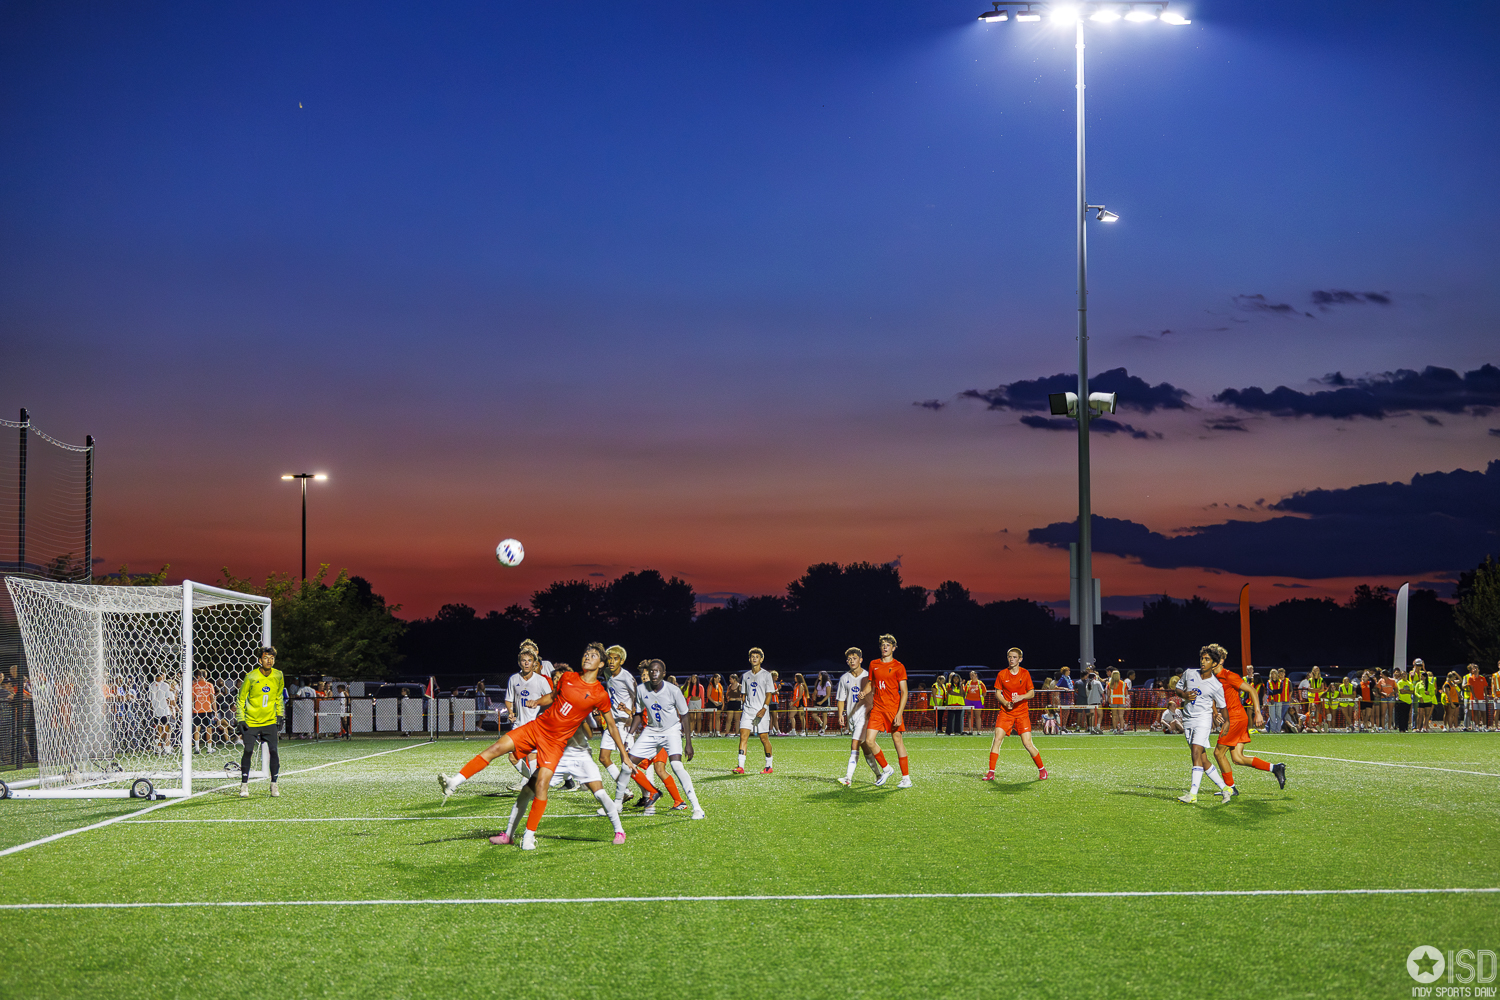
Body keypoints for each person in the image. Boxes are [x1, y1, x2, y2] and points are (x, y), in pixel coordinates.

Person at [440, 643, 635, 851]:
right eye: (586, 654)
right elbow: (553, 696)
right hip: (537, 728)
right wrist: (537, 701)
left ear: (601, 664)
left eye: (593, 655)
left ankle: (530, 837)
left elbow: (611, 725)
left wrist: (624, 755)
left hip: (560, 746)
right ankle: (454, 782)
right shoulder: (568, 678)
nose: (587, 657)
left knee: (551, 787)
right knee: (498, 750)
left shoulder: (599, 694)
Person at [611, 659, 705, 820]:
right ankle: (617, 804)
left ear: (663, 673)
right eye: (651, 671)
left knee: (676, 766)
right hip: (651, 731)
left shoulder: (673, 690)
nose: (653, 673)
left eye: (657, 671)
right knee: (627, 765)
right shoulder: (641, 689)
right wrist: (630, 734)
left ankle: (697, 808)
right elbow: (638, 714)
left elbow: (685, 715)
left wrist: (688, 743)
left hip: (671, 731)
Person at [1201, 645, 1284, 796]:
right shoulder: (1212, 678)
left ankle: (1230, 788)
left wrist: (1258, 713)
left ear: (1220, 660)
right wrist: (1215, 713)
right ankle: (1275, 768)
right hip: (1235, 718)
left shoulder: (1229, 676)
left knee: (1218, 753)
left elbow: (1252, 690)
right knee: (1238, 758)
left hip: (1235, 719)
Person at [1174, 659, 1233, 804]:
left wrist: (1226, 722)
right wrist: (1184, 695)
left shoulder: (1216, 685)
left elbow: (1223, 706)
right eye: (1202, 658)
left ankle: (1193, 794)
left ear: (1213, 664)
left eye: (1207, 659)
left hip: (1203, 720)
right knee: (1202, 759)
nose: (1203, 661)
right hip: (1188, 719)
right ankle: (1225, 788)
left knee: (1195, 752)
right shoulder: (1189, 673)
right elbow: (1177, 689)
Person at [983, 648, 1046, 781]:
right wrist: (1005, 703)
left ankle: (1042, 770)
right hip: (1006, 713)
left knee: (1027, 744)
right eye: (1010, 657)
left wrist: (1021, 697)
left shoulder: (1025, 673)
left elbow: (1032, 693)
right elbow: (997, 693)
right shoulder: (1002, 674)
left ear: (1020, 659)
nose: (1011, 659)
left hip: (1022, 714)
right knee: (997, 739)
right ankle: (991, 773)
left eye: (1014, 657)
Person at [860, 634, 911, 788]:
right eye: (883, 644)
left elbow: (904, 692)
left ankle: (906, 778)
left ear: (893, 648)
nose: (884, 647)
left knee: (897, 741)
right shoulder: (873, 664)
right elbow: (871, 684)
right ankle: (887, 769)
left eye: (888, 645)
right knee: (869, 740)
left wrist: (899, 713)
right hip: (877, 709)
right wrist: (864, 692)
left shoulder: (899, 666)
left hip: (893, 709)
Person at [235, 647, 285, 798]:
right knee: (248, 750)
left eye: (272, 658)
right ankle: (244, 785)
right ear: (259, 660)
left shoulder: (278, 675)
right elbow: (241, 699)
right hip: (251, 721)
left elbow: (279, 696)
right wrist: (240, 719)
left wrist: (280, 714)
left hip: (269, 721)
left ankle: (274, 784)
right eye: (265, 658)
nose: (269, 661)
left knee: (274, 751)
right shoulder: (251, 677)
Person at [505, 641, 553, 779]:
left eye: (529, 661)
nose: (526, 663)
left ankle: (533, 784)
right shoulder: (514, 679)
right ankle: (531, 780)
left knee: (532, 755)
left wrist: (538, 704)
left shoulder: (541, 680)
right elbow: (509, 699)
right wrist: (510, 712)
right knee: (512, 757)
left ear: (534, 663)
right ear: (519, 663)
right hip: (518, 725)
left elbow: (551, 698)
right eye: (523, 661)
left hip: (534, 725)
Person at [836, 647, 882, 785]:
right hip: (852, 718)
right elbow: (841, 699)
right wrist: (840, 714)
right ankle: (880, 774)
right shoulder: (844, 678)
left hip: (865, 716)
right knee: (865, 747)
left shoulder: (868, 677)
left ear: (861, 660)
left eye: (854, 658)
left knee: (854, 743)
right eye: (849, 659)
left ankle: (848, 778)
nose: (852, 661)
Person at [597, 645, 637, 795]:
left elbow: (637, 696)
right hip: (612, 722)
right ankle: (625, 791)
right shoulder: (608, 672)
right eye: (610, 658)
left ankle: (648, 792)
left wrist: (632, 714)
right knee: (603, 757)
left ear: (622, 661)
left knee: (627, 762)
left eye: (615, 659)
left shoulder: (626, 677)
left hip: (625, 722)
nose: (612, 661)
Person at [735, 648, 775, 774]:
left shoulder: (767, 675)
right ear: (749, 659)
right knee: (743, 736)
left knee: (764, 738)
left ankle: (769, 765)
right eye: (752, 656)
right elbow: (744, 693)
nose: (754, 658)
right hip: (748, 711)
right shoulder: (745, 676)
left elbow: (769, 694)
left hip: (761, 711)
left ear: (761, 659)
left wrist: (764, 708)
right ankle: (740, 766)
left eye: (757, 656)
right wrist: (743, 705)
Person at [148, 671, 176, 753]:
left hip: (156, 711)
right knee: (167, 729)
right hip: (164, 710)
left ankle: (158, 749)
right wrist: (172, 709)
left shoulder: (152, 685)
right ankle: (158, 742)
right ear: (162, 675)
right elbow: (168, 698)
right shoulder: (165, 685)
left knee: (159, 730)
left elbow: (150, 699)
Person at [191, 669, 217, 753]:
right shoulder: (209, 685)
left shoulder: (194, 686)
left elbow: (192, 699)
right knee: (208, 729)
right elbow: (212, 699)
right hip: (207, 710)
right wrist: (215, 711)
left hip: (197, 710)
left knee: (196, 729)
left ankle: (197, 748)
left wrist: (192, 709)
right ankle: (209, 749)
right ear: (205, 676)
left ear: (197, 676)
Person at [1464, 664, 1488, 732]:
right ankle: (1476, 726)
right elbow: (1471, 688)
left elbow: (1485, 688)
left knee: (1483, 712)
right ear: (1472, 671)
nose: (1475, 669)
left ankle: (1484, 727)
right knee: (1475, 713)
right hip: (1473, 698)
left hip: (1481, 698)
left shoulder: (1482, 678)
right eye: (1474, 668)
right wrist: (1474, 697)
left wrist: (1486, 696)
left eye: (1476, 668)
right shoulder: (1470, 678)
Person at [964, 670, 986, 735]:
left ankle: (979, 731)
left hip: (978, 701)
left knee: (977, 716)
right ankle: (971, 730)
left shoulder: (980, 683)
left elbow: (984, 692)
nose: (972, 676)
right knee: (969, 715)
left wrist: (981, 698)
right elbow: (965, 691)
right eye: (970, 675)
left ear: (976, 675)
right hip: (968, 701)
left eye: (973, 675)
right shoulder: (968, 683)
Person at [1083, 668, 1104, 734]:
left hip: (1090, 701)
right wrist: (1103, 698)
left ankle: (1091, 728)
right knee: (1100, 714)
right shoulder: (1097, 682)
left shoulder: (1087, 684)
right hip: (1097, 701)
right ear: (1094, 677)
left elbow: (1087, 693)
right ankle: (1098, 726)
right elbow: (1101, 691)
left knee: (1092, 715)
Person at [1107, 669, 1128, 734]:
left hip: (1113, 701)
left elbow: (1108, 694)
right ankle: (1121, 729)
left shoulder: (1110, 684)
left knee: (1114, 716)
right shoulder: (1123, 684)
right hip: (1121, 701)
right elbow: (1126, 694)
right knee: (1121, 716)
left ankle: (1115, 729)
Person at [946, 671, 966, 735]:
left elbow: (962, 693)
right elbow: (950, 692)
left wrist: (961, 685)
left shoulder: (961, 685)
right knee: (950, 718)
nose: (956, 680)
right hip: (951, 703)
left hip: (959, 703)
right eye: (954, 678)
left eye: (957, 678)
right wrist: (959, 694)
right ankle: (948, 732)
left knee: (958, 718)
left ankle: (957, 731)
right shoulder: (949, 685)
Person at [725, 674, 742, 739]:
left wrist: (740, 699)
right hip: (730, 703)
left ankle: (737, 733)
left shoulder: (739, 686)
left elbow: (744, 695)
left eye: (731, 679)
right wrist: (728, 698)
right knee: (729, 719)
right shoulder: (730, 686)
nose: (730, 680)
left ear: (734, 679)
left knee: (737, 719)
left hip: (737, 703)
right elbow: (727, 694)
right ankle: (727, 733)